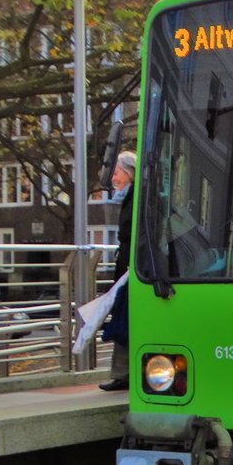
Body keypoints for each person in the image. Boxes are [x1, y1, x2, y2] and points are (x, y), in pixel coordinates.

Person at [100, 151, 135, 391]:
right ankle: (123, 374)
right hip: (128, 267)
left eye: (116, 172)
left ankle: (123, 375)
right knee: (123, 318)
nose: (113, 178)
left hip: (131, 270)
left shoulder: (135, 199)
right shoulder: (131, 198)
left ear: (129, 172)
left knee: (124, 319)